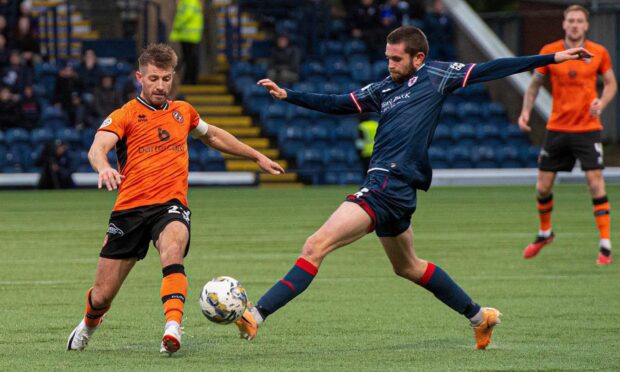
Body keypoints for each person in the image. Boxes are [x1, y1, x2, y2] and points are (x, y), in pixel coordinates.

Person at [233, 26, 592, 349]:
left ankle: (257, 314)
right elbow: (340, 103)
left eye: (396, 58)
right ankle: (480, 318)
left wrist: (554, 57)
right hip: (396, 192)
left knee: (315, 245)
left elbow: (493, 67)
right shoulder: (383, 88)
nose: (389, 64)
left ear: (418, 58)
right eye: (387, 57)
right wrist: (288, 95)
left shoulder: (437, 76)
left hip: (387, 186)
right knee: (408, 267)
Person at [66, 43, 284, 354]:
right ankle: (88, 323)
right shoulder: (125, 114)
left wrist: (256, 156)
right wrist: (103, 168)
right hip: (129, 210)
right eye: (153, 78)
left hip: (171, 205)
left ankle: (172, 327)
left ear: (173, 78)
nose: (160, 85)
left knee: (172, 247)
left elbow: (214, 136)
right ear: (139, 77)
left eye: (166, 79)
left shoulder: (183, 112)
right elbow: (97, 148)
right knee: (102, 295)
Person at [518, 5, 617, 266]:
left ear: (586, 25)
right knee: (542, 186)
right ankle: (544, 233)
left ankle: (605, 245)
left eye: (579, 21)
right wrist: (526, 112)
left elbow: (611, 83)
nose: (574, 25)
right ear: (564, 24)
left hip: (587, 128)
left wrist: (602, 104)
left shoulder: (598, 52)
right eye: (570, 20)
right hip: (558, 127)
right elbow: (535, 84)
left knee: (595, 183)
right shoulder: (550, 51)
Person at [169, 0, 203, 85]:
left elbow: (186, 16)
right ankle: (189, 79)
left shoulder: (189, 2)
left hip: (188, 35)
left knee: (189, 58)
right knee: (189, 58)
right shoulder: (187, 2)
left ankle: (189, 79)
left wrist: (176, 26)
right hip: (189, 35)